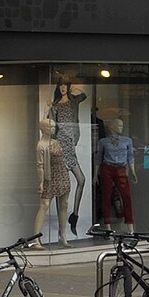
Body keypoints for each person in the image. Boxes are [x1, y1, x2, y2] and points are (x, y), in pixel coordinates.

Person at [51, 79, 88, 236]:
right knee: (63, 188)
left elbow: (84, 95)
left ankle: (75, 215)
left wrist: (76, 88)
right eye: (61, 86)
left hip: (70, 145)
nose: (63, 88)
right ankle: (62, 229)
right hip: (61, 144)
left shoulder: (74, 101)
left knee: (81, 180)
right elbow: (52, 127)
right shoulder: (55, 105)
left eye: (65, 85)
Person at [96, 115, 137, 232]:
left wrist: (132, 171)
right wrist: (95, 175)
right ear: (112, 126)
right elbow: (98, 157)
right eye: (119, 125)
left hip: (121, 168)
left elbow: (130, 156)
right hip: (107, 168)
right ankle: (108, 225)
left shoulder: (127, 140)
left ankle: (130, 225)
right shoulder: (103, 142)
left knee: (126, 196)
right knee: (106, 196)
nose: (121, 128)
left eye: (122, 126)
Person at [35, 114, 71, 245]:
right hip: (50, 177)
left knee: (64, 205)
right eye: (50, 126)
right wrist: (41, 182)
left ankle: (63, 235)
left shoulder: (56, 142)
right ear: (43, 128)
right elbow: (40, 165)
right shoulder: (41, 145)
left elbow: (63, 158)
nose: (53, 129)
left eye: (54, 127)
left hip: (62, 174)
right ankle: (35, 239)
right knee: (44, 205)